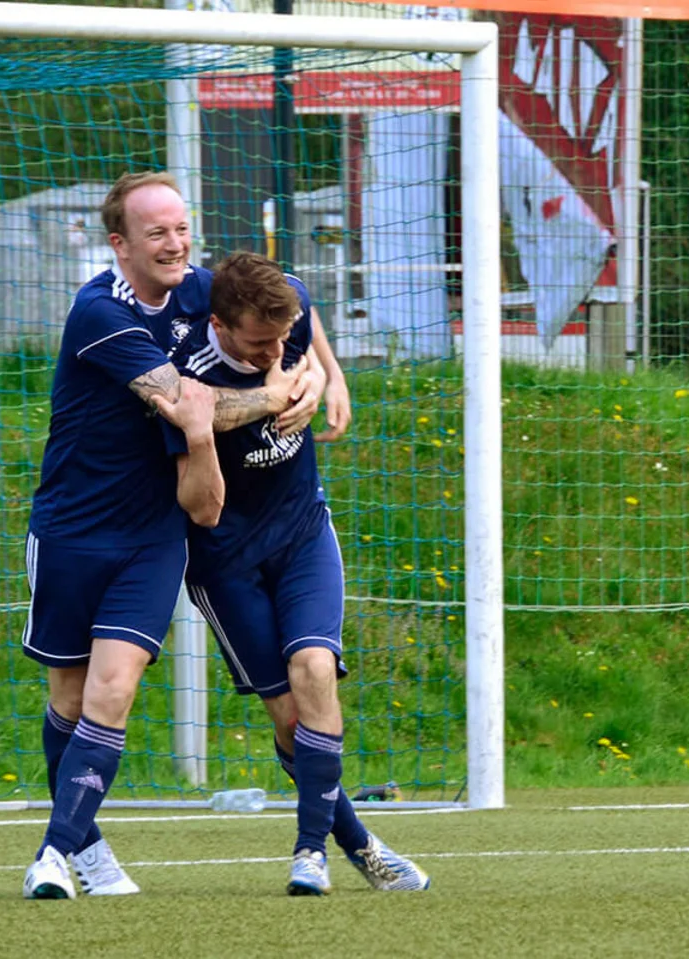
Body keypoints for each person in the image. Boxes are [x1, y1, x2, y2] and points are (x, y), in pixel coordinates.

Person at [21, 172, 326, 900]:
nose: (175, 243)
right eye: (156, 232)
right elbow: (192, 406)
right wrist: (277, 394)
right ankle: (87, 850)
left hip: (156, 534)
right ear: (119, 242)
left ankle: (53, 856)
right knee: (69, 697)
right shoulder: (100, 312)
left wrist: (321, 374)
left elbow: (292, 299)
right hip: (73, 528)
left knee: (114, 688)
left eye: (182, 227)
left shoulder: (201, 287)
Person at [172, 251, 429, 896]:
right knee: (287, 717)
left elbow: (304, 317)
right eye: (261, 342)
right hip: (223, 557)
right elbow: (203, 446)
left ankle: (308, 851)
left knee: (315, 668)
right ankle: (362, 845)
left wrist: (330, 375)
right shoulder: (186, 374)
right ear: (221, 325)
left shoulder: (286, 307)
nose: (276, 349)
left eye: (283, 337)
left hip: (302, 531)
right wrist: (272, 394)